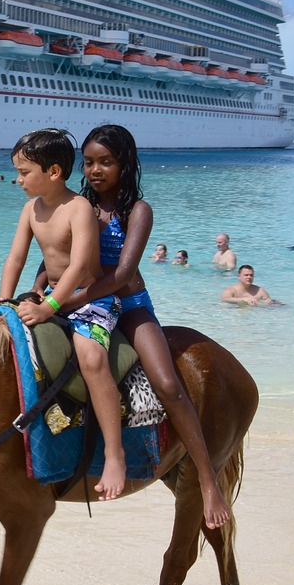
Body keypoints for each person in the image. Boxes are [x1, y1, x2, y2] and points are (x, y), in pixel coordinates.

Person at [72, 124, 230, 529]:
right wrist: (37, 291)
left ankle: (209, 480)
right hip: (86, 301)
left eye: (105, 162)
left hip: (128, 306)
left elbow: (124, 273)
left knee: (168, 384)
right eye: (88, 162)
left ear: (125, 163)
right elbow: (56, 255)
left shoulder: (137, 211)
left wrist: (69, 299)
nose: (95, 170)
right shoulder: (78, 207)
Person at [0, 128, 126, 501]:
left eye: (25, 172)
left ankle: (114, 454)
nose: (18, 180)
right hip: (50, 294)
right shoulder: (30, 209)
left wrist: (49, 308)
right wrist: (5, 299)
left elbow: (78, 268)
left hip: (89, 300)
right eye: (17, 171)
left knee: (91, 357)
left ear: (55, 172)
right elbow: (16, 257)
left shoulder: (78, 208)